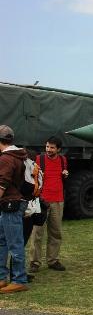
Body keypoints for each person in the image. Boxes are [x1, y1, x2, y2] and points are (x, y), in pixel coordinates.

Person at [29, 136, 68, 272]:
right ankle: (35, 262)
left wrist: (65, 174)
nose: (48, 149)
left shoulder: (63, 160)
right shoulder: (39, 159)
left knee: (56, 232)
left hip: (58, 200)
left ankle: (53, 260)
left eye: (52, 147)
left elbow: (63, 177)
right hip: (41, 200)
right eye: (47, 147)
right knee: (37, 232)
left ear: (58, 149)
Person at [0, 125, 29, 293]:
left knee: (14, 244)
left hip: (10, 204)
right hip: (13, 203)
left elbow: (2, 183)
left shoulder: (6, 158)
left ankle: (19, 279)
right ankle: (3, 277)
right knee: (3, 241)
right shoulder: (18, 155)